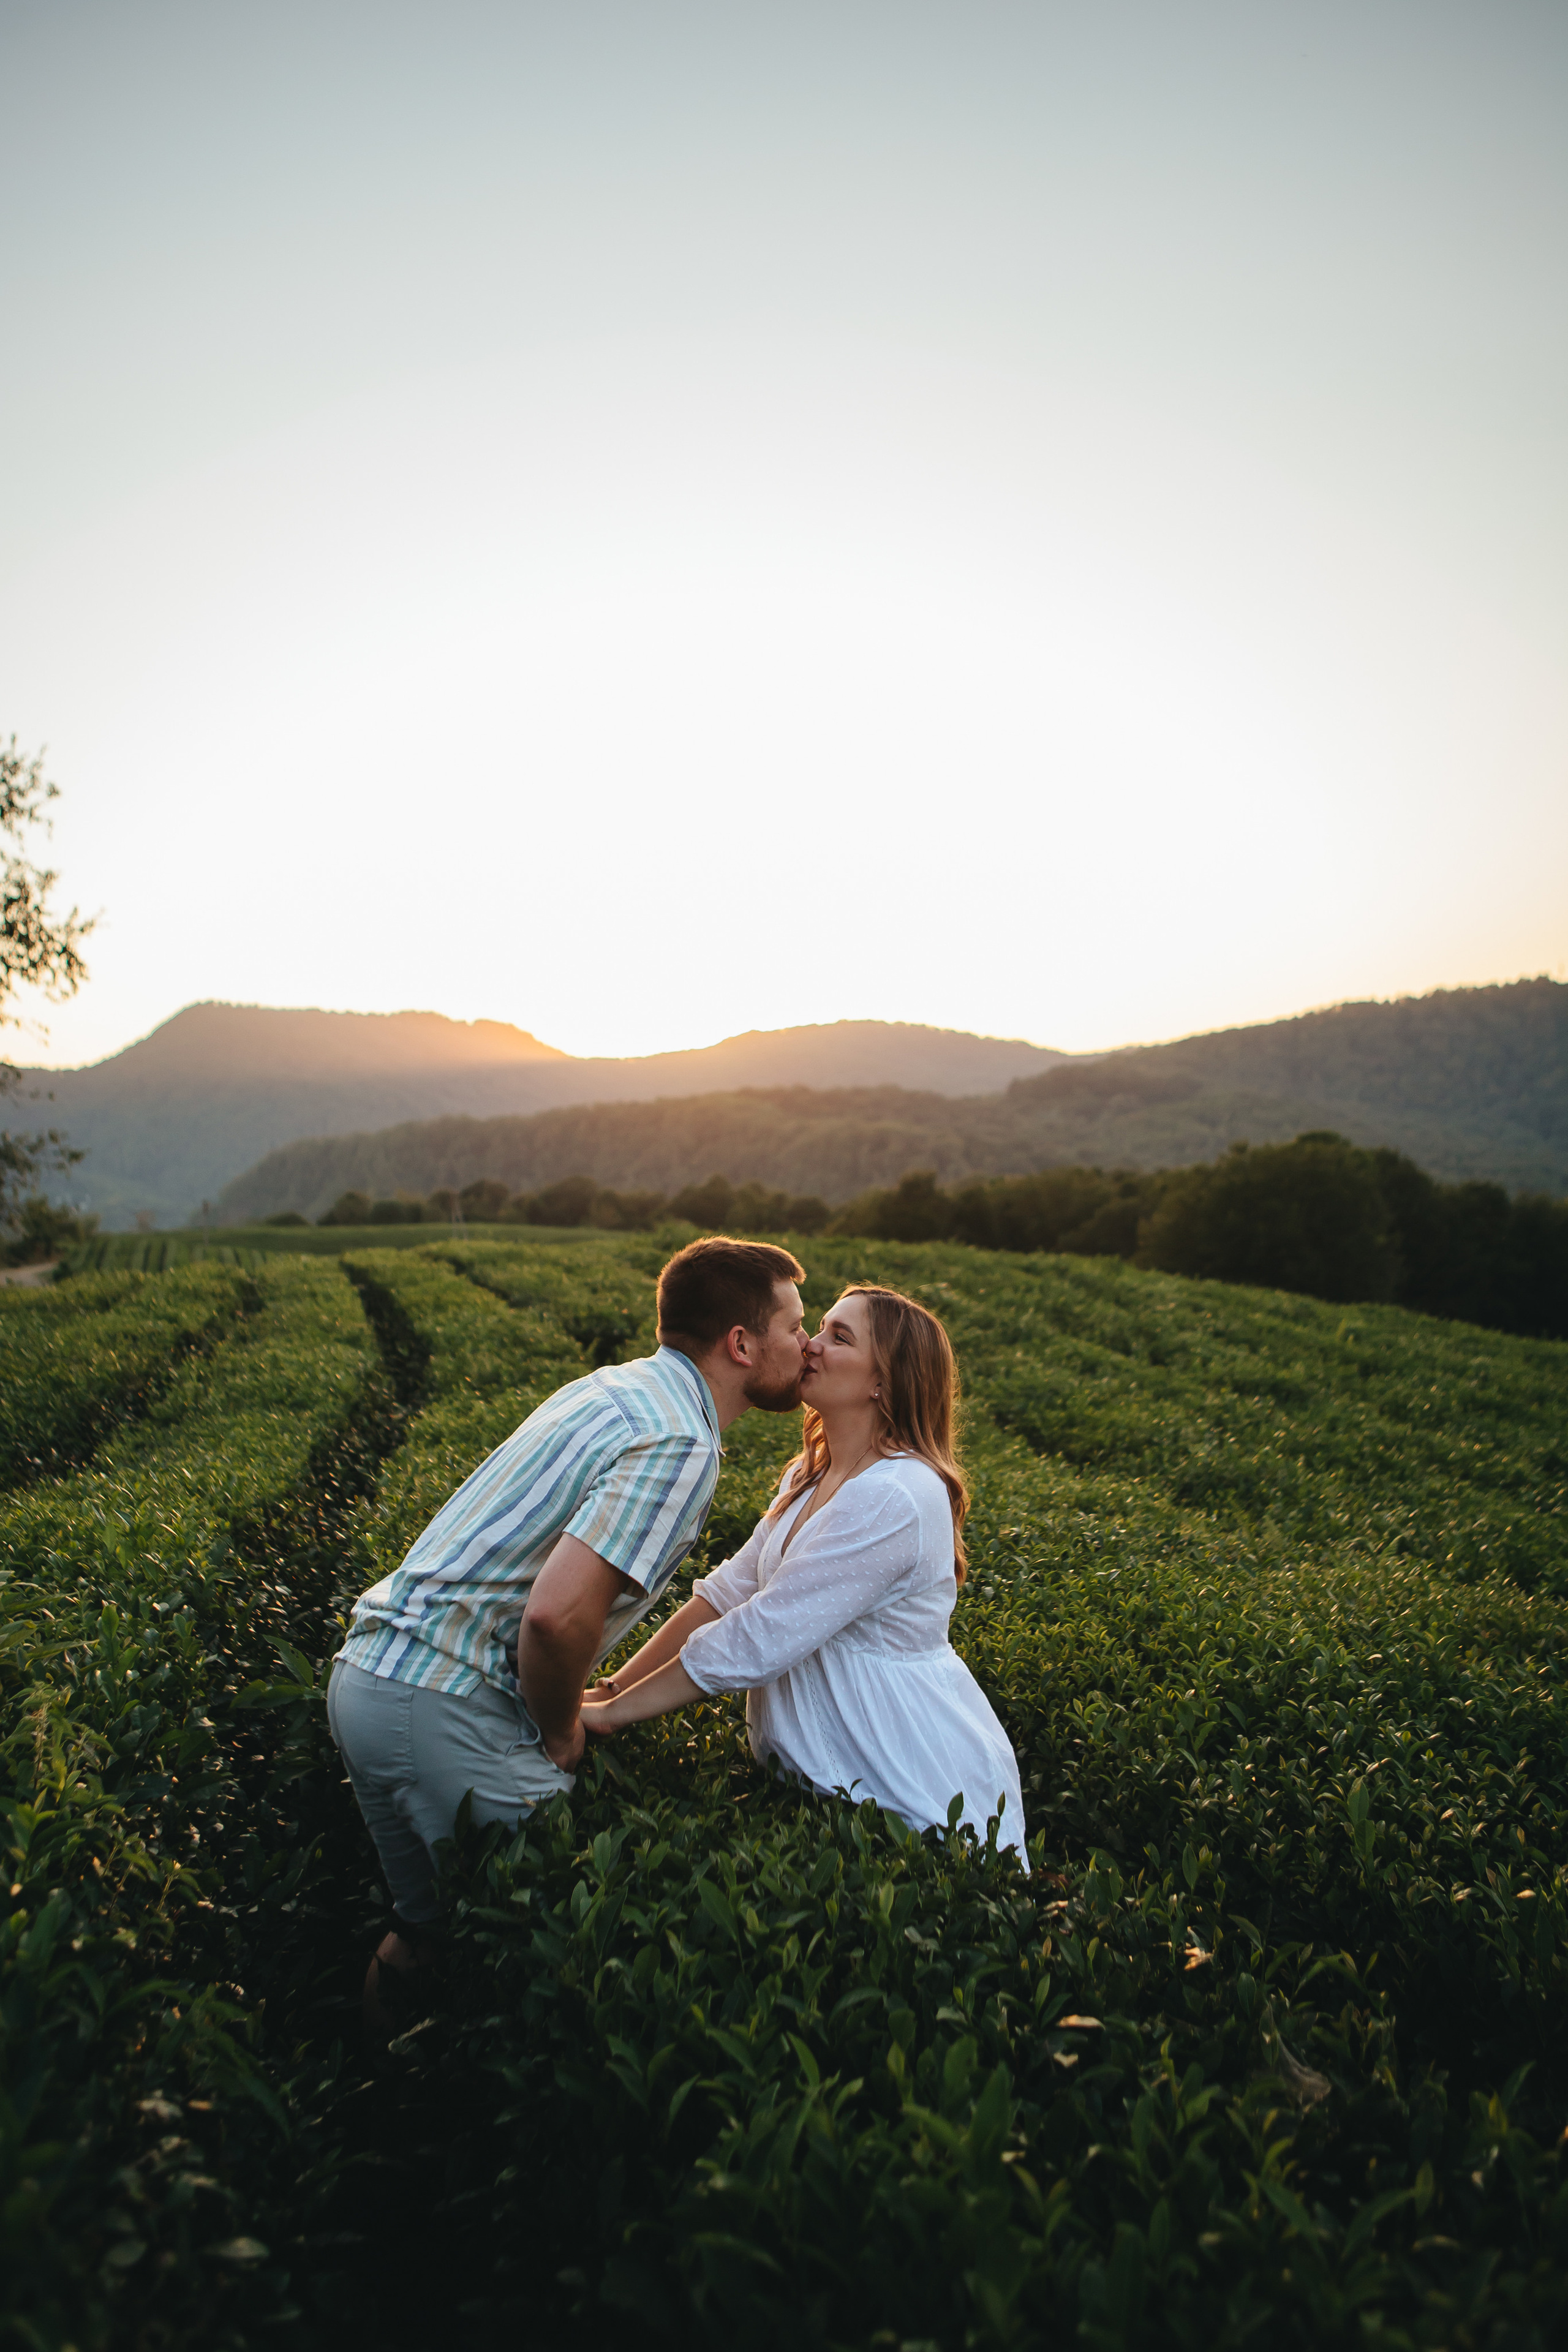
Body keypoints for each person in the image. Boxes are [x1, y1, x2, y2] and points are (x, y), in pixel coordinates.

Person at [328, 1235, 808, 2031]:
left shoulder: (613, 1389)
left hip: (369, 1677)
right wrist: (558, 1732)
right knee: (550, 1964)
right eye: (796, 1324)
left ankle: (377, 2108)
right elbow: (557, 1616)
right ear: (742, 1344)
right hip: (450, 1703)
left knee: (426, 1933)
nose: (808, 1341)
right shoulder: (682, 1441)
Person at [580, 1284, 1023, 1851]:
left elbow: (759, 1635)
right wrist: (611, 1689)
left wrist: (616, 1714)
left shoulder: (899, 1493)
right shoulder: (809, 1476)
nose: (810, 1345)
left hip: (902, 1786)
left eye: (839, 1338)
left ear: (883, 1382)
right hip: (822, 1778)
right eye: (819, 1328)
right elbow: (725, 1595)